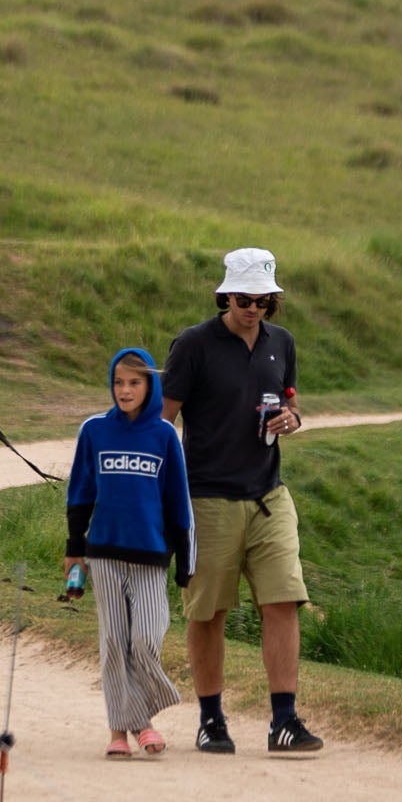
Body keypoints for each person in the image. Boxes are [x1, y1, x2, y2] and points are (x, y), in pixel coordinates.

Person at [161, 247, 321, 756]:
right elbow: (163, 419)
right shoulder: (193, 345)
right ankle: (211, 720)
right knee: (208, 613)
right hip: (206, 498)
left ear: (272, 300)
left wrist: (291, 419)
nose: (251, 307)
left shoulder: (282, 343)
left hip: (269, 495)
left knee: (283, 602)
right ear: (225, 294)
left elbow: (290, 399)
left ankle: (284, 721)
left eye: (261, 299)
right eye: (242, 297)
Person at [65, 348, 195, 758]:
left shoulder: (163, 435)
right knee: (114, 643)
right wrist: (74, 548)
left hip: (150, 555)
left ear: (150, 386)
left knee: (145, 638)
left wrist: (185, 562)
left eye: (134, 382)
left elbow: (179, 501)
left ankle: (139, 716)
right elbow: (80, 493)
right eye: (118, 382)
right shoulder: (95, 431)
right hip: (103, 552)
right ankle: (123, 732)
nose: (125, 390)